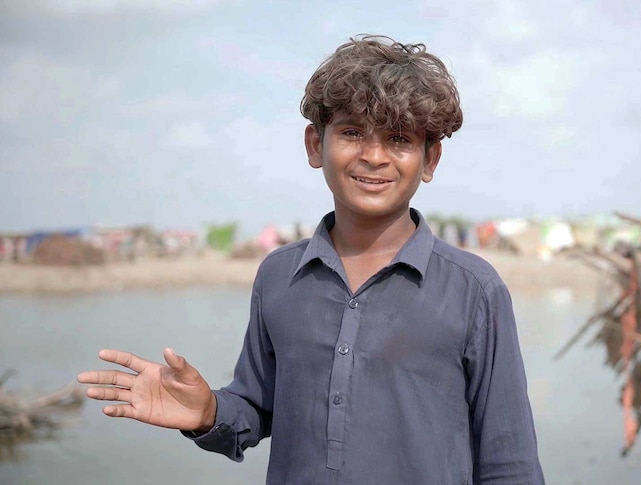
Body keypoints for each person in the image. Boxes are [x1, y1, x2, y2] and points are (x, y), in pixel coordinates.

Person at [77, 35, 545, 484]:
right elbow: (257, 409)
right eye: (352, 132)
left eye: (399, 138)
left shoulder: (473, 290)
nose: (374, 156)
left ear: (430, 160)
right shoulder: (279, 275)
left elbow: (510, 462)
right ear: (314, 145)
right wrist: (207, 413)